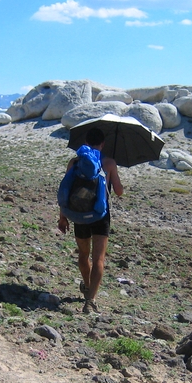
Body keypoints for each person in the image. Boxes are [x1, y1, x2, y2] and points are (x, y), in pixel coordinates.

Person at [58, 128, 123, 314]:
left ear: (85, 141)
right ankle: (91, 300)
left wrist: (63, 217)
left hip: (79, 214)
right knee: (99, 259)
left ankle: (87, 286)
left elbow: (66, 191)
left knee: (83, 254)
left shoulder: (75, 162)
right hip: (101, 216)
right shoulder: (109, 163)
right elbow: (118, 191)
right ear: (102, 144)